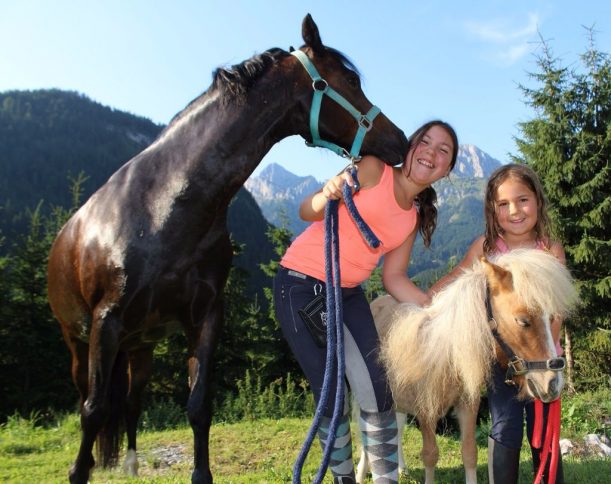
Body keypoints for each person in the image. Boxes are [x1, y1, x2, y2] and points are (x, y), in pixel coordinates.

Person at [273, 120, 459, 483]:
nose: (431, 153)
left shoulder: (411, 218)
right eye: (426, 142)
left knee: (377, 389)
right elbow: (306, 211)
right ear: (410, 146)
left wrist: (433, 311)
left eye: (443, 151)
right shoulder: (374, 168)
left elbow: (394, 278)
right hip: (301, 283)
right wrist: (327, 192)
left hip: (349, 293)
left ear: (447, 169)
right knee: (332, 396)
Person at [429, 163, 566, 484]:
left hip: (542, 359)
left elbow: (556, 314)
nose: (514, 211)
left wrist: (545, 361)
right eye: (503, 204)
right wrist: (423, 302)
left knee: (543, 429)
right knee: (505, 426)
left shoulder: (550, 251)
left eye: (522, 200)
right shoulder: (487, 248)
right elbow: (456, 279)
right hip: (500, 361)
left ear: (538, 201)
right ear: (493, 210)